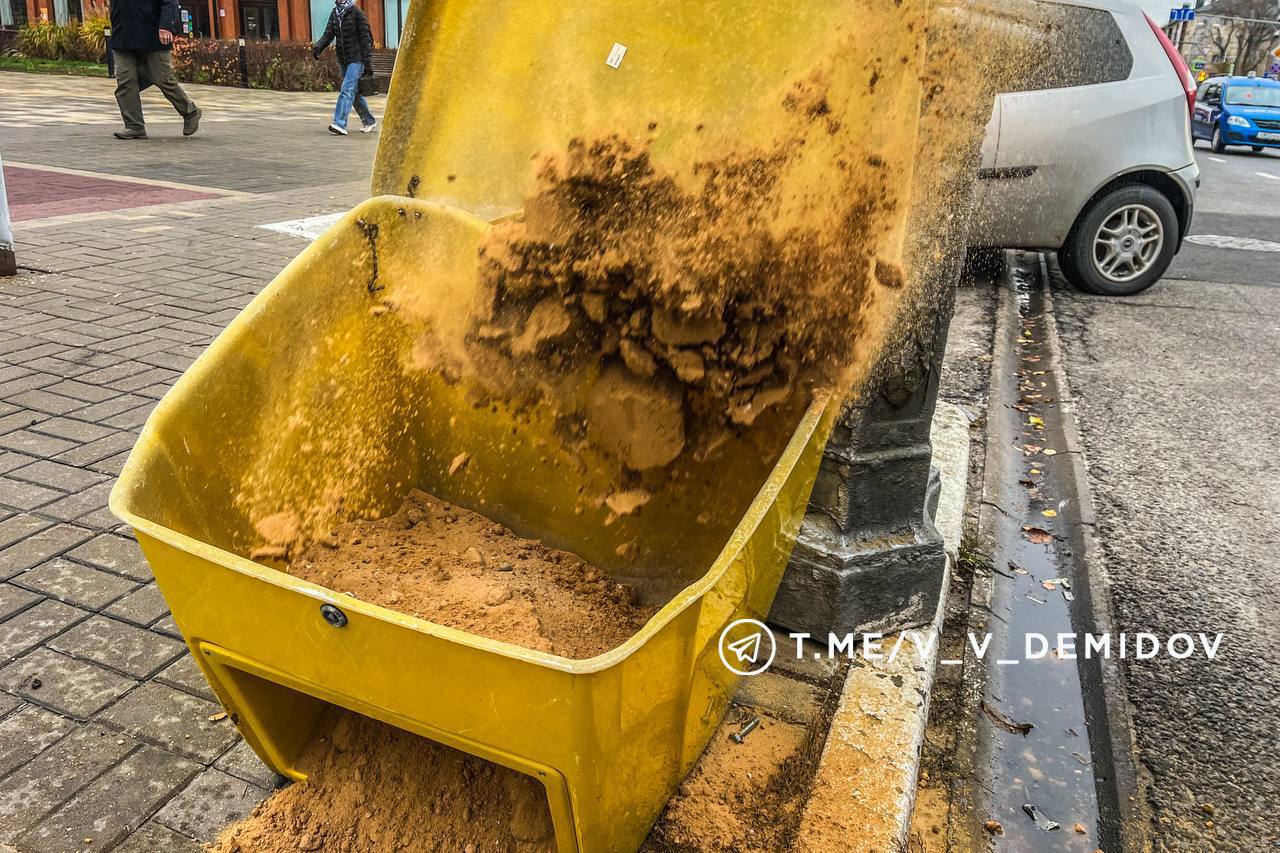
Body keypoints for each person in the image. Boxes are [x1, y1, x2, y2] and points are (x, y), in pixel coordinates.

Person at [109, 0, 201, 139]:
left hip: (154, 36)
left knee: (162, 79)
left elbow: (169, 2)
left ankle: (190, 112)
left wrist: (166, 26)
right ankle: (134, 126)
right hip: (122, 35)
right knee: (126, 81)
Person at [312, 0, 376, 136]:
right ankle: (369, 120)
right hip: (343, 59)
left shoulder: (356, 13)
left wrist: (367, 64)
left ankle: (339, 123)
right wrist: (318, 47)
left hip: (357, 59)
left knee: (346, 89)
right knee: (355, 92)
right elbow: (328, 34)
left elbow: (366, 40)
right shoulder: (335, 13)